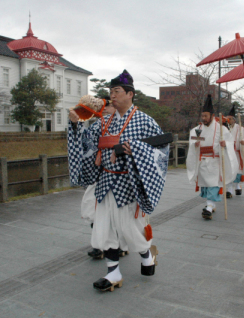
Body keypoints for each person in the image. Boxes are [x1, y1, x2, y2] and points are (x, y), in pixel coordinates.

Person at [68, 70, 169, 292]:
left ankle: (147, 254)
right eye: (111, 91)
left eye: (117, 91)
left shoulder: (144, 121)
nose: (112, 95)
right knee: (105, 229)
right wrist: (76, 125)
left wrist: (132, 148)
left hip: (130, 183)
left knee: (130, 229)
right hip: (105, 182)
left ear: (130, 94)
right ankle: (113, 272)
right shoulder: (104, 122)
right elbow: (87, 143)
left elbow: (161, 147)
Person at [81, 101, 128, 260]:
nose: (105, 108)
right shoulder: (97, 125)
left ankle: (120, 244)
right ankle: (99, 245)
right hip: (98, 176)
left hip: (119, 178)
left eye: (108, 105)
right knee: (92, 210)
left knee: (116, 214)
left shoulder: (127, 124)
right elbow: (85, 143)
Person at [186, 95, 238, 220]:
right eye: (202, 116)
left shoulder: (221, 129)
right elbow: (192, 142)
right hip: (202, 161)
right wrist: (195, 144)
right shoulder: (197, 129)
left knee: (213, 184)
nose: (203, 118)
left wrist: (225, 144)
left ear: (212, 116)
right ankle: (211, 204)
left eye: (205, 116)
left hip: (215, 161)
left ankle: (209, 207)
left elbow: (230, 142)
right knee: (206, 185)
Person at [225, 104, 244, 197]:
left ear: (234, 120)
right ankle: (229, 189)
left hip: (236, 154)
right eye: (227, 119)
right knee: (229, 171)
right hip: (228, 154)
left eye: (230, 119)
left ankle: (237, 186)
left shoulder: (240, 129)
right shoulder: (224, 129)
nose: (228, 121)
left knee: (237, 171)